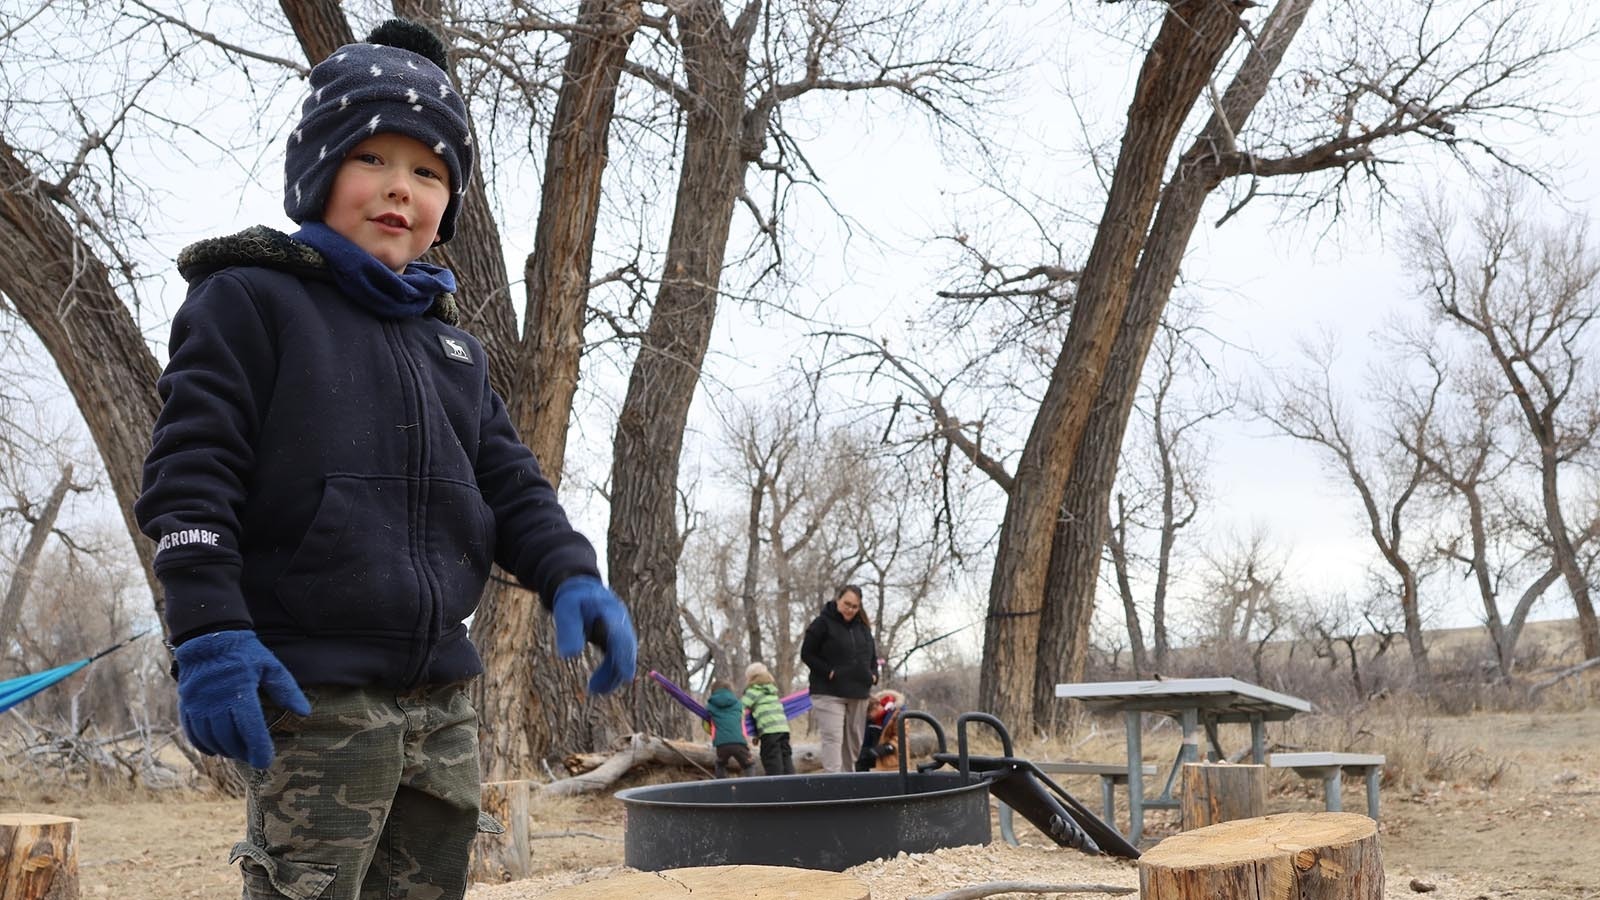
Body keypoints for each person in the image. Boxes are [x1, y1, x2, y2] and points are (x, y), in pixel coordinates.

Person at [133, 19, 637, 900]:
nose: (401, 188)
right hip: (313, 694)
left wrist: (571, 575)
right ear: (320, 171)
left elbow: (511, 486)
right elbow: (190, 472)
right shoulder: (250, 300)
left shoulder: (453, 353)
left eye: (430, 172)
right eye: (373, 159)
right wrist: (208, 631)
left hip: (442, 698)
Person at [800, 584, 878, 773]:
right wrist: (829, 671)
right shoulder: (822, 623)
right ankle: (833, 787)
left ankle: (848, 787)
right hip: (829, 693)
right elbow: (807, 654)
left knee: (852, 747)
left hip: (859, 693)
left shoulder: (863, 628)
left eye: (854, 606)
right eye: (846, 604)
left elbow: (872, 656)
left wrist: (873, 675)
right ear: (838, 600)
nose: (850, 609)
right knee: (833, 740)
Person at [741, 661, 795, 775]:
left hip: (769, 732)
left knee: (771, 758)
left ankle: (776, 785)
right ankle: (791, 782)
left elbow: (740, 707)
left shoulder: (753, 691)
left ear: (751, 678)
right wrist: (756, 735)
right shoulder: (772, 691)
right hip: (783, 728)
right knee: (786, 756)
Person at [705, 679, 754, 778]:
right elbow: (742, 720)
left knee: (720, 764)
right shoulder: (738, 704)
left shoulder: (710, 705)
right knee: (749, 765)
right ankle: (751, 785)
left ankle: (721, 785)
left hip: (721, 744)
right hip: (739, 742)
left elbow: (706, 722)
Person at [854, 688, 906, 772]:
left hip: (892, 759)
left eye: (868, 713)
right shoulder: (870, 722)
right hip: (873, 757)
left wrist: (885, 748)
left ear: (875, 706)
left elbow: (901, 739)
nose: (867, 716)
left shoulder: (897, 715)